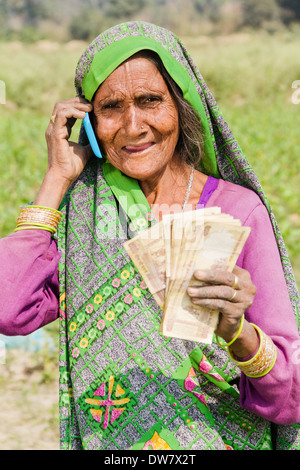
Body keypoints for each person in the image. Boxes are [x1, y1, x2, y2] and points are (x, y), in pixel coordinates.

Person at [0, 21, 299, 451]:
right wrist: (56, 178)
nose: (133, 125)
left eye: (149, 101)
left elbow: (291, 396)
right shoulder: (81, 216)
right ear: (88, 121)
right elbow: (10, 309)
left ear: (181, 106)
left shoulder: (236, 211)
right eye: (111, 108)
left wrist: (236, 330)